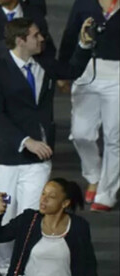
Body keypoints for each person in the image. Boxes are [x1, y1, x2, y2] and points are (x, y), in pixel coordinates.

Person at [0, 17, 94, 276]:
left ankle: (23, 271)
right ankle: (5, 270)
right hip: (7, 158)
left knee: (32, 215)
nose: (42, 38)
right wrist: (26, 142)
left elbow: (72, 71)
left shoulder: (43, 63)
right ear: (21, 40)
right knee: (7, 216)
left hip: (39, 159)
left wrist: (84, 45)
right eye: (35, 35)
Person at [60, 0, 120, 212]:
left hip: (117, 75)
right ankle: (93, 176)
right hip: (85, 71)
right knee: (80, 133)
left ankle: (107, 193)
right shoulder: (84, 2)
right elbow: (70, 34)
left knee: (115, 137)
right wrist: (64, 71)